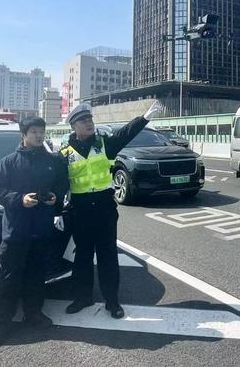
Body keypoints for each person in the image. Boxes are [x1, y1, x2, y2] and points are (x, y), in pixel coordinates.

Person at [60, 100, 163, 318]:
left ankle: (112, 301)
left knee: (108, 257)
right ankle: (83, 297)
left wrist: (144, 118)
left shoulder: (105, 144)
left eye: (90, 119)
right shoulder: (64, 154)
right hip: (80, 212)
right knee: (83, 257)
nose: (89, 123)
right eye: (83, 121)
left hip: (105, 211)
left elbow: (126, 133)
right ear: (73, 127)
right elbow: (57, 183)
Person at [0, 116, 69, 348]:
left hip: (42, 230)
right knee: (8, 280)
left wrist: (56, 197)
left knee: (36, 277)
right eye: (33, 132)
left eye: (41, 131)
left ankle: (34, 314)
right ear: (23, 135)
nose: (39, 135)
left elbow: (63, 184)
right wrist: (19, 199)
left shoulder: (52, 161)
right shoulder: (9, 162)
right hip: (16, 232)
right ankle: (0, 325)